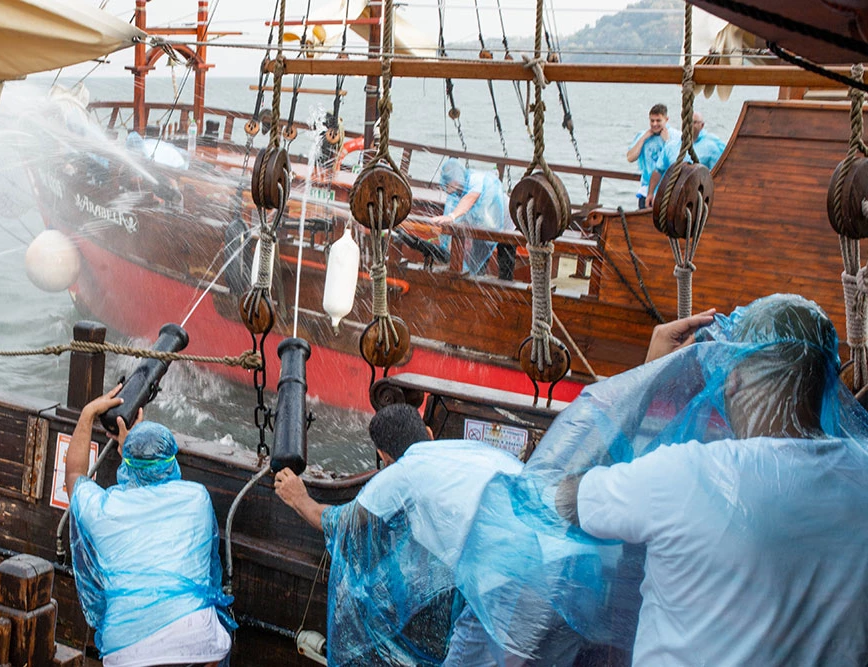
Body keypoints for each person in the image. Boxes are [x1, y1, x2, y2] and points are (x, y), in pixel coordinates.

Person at [551, 294, 868, 665]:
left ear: (733, 379)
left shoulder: (685, 475)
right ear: (826, 384)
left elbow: (565, 496)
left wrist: (647, 379)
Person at [274, 403, 524, 666]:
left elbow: (341, 523)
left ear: (384, 456)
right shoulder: (467, 450)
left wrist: (299, 498)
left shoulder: (402, 473)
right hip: (546, 567)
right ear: (429, 433)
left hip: (500, 591)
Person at [65, 386, 234, 667]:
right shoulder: (197, 499)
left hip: (127, 651)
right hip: (196, 642)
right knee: (212, 643)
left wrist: (87, 415)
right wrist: (132, 448)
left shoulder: (105, 509)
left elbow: (74, 474)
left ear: (127, 465)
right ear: (172, 462)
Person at [429, 159, 509, 275]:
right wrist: (449, 243)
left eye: (449, 182)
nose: (448, 187)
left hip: (502, 217)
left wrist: (452, 216)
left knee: (506, 255)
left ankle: (504, 282)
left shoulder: (476, 179)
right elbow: (458, 213)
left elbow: (470, 198)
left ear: (456, 179)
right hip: (481, 224)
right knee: (477, 258)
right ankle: (476, 279)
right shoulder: (457, 192)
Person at [644, 112, 726, 208]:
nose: (690, 125)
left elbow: (718, 175)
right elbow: (658, 170)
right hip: (672, 198)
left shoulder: (711, 148)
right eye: (687, 122)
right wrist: (650, 194)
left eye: (694, 122)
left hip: (697, 200)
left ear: (702, 125)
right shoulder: (671, 146)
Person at [626, 104, 679, 209]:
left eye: (658, 121)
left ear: (666, 119)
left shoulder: (675, 136)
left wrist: (667, 141)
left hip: (667, 192)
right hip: (646, 191)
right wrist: (643, 138)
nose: (655, 124)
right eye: (652, 121)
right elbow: (630, 158)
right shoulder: (644, 135)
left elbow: (676, 162)